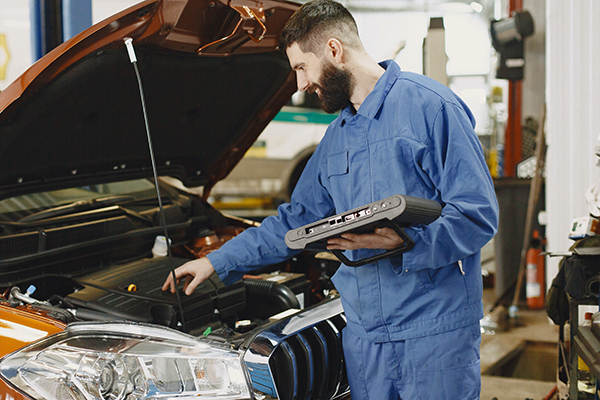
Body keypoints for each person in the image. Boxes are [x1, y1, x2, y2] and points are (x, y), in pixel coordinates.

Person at [163, 1, 499, 398]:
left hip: (432, 333)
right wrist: (215, 261)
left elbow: (477, 214)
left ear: (334, 50)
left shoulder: (431, 107)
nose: (301, 84)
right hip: (365, 337)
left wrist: (407, 242)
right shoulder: (338, 136)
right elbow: (294, 221)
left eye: (302, 68)